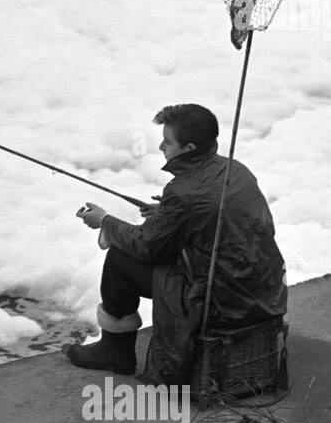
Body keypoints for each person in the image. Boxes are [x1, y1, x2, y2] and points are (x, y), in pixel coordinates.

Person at [67, 104, 287, 382]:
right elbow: (217, 217)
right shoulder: (236, 170)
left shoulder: (183, 192)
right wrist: (167, 214)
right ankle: (114, 349)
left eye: (168, 141)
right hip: (261, 288)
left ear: (189, 148)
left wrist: (106, 223)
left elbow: (149, 247)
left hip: (221, 300)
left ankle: (115, 351)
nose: (160, 146)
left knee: (120, 260)